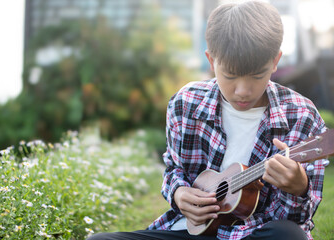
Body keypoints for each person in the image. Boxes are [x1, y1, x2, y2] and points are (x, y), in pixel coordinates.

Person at [88, 1, 327, 239]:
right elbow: (174, 169)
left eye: (257, 75)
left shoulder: (302, 115)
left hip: (253, 233)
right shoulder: (186, 102)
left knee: (288, 235)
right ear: (211, 61)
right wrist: (179, 193)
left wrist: (298, 188)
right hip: (192, 231)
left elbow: (297, 220)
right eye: (230, 76)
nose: (243, 90)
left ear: (275, 61)